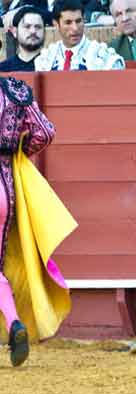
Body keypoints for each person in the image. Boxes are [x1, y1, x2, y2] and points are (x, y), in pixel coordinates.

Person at [0, 77, 55, 367]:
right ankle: (13, 323)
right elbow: (44, 133)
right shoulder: (15, 92)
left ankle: (13, 323)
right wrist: (17, 154)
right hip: (4, 186)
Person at [34, 0, 124, 71]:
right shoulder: (45, 58)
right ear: (56, 24)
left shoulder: (103, 55)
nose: (75, 28)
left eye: (78, 21)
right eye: (68, 23)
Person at [0, 6, 45, 71]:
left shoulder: (54, 66)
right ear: (15, 31)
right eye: (27, 26)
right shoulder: (3, 70)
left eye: (38, 27)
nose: (33, 31)